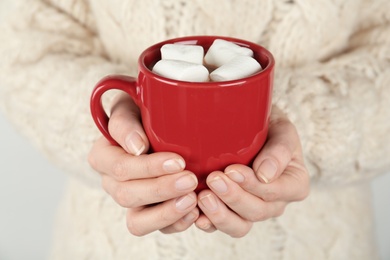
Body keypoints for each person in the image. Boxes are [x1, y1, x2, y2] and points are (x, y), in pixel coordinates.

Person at [0, 0, 389, 259]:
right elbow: (23, 50)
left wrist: (302, 128)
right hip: (107, 243)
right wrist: (118, 130)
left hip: (322, 243)